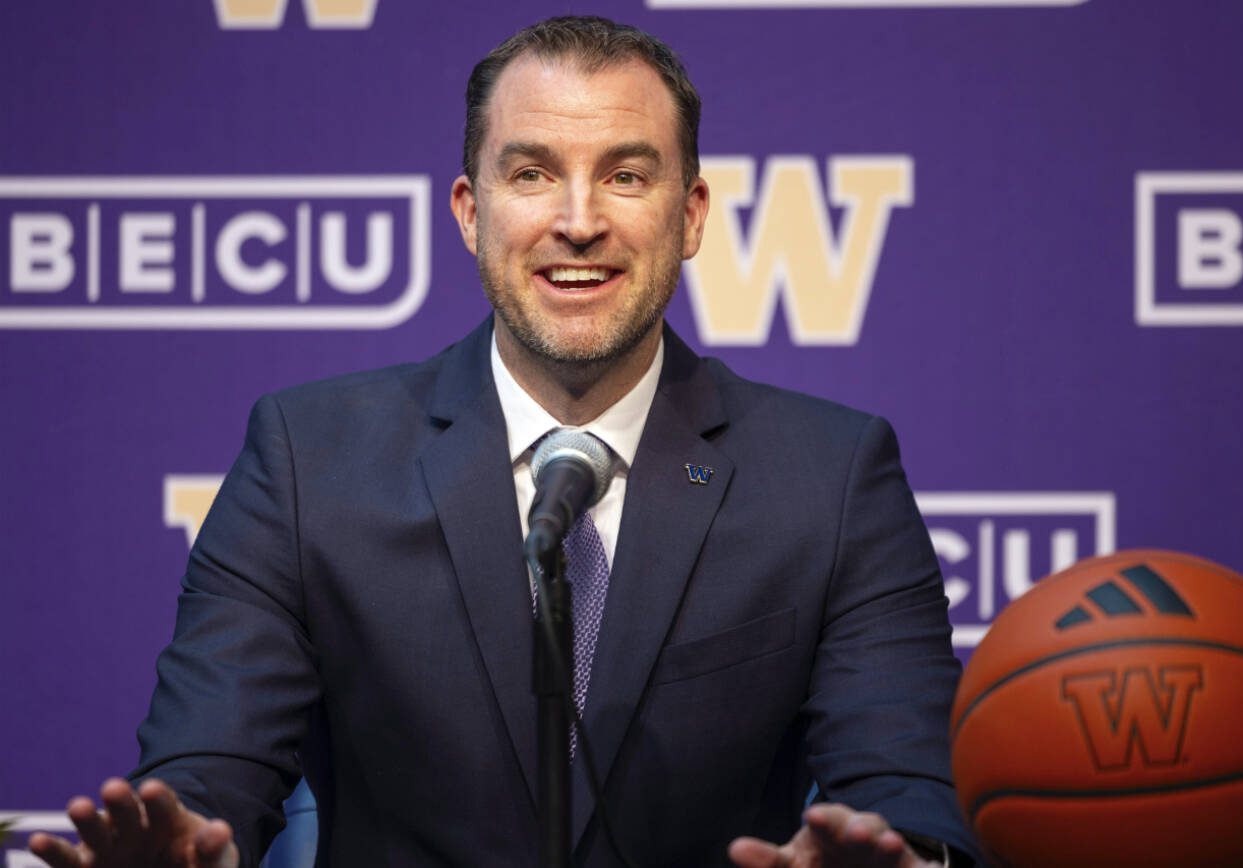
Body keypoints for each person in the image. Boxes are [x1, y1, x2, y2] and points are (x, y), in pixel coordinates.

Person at [31, 16, 978, 868]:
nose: (578, 221)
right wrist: (194, 852)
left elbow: (902, 794)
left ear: (689, 216)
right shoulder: (305, 461)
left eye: (626, 174)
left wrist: (903, 863)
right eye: (531, 174)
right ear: (470, 212)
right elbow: (208, 777)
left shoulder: (832, 475)